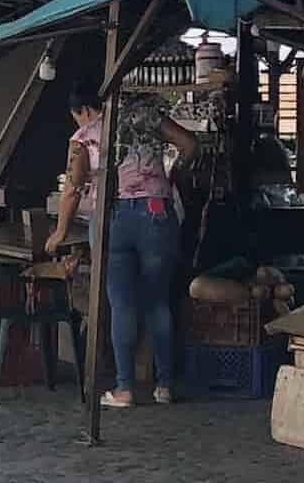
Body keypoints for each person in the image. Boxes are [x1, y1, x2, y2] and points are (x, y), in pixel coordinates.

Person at [45, 90, 199, 407]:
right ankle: (165, 385)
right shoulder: (143, 114)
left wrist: (59, 232)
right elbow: (190, 145)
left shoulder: (82, 138)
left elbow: (73, 188)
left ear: (83, 107)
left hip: (111, 218)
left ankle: (125, 388)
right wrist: (170, 176)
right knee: (158, 302)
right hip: (157, 211)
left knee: (122, 304)